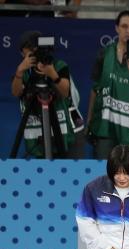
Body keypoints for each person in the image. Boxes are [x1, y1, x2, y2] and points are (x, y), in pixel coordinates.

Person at [87, 10, 129, 160]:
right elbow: (95, 90)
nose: (128, 30)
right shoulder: (104, 54)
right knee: (104, 175)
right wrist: (89, 122)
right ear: (116, 28)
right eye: (124, 26)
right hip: (106, 126)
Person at [11, 30, 84, 159]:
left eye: (36, 52)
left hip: (66, 131)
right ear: (23, 54)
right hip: (39, 134)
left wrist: (52, 74)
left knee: (69, 171)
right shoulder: (24, 72)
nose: (35, 57)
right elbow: (16, 92)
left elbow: (65, 91)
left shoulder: (58, 66)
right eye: (29, 54)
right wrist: (19, 71)